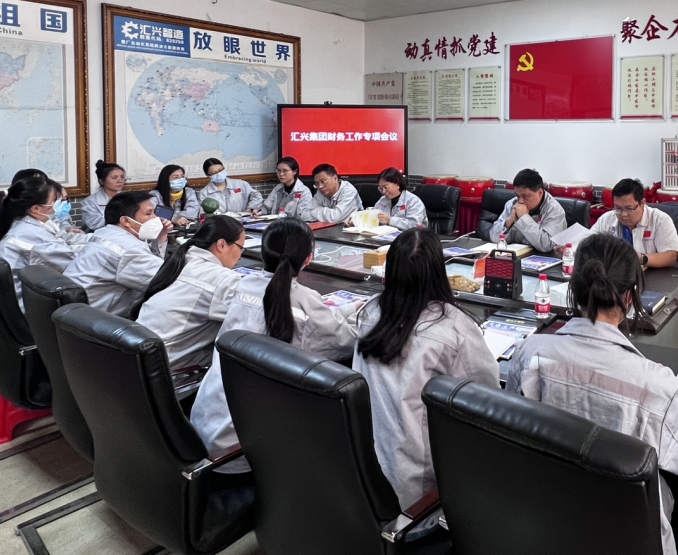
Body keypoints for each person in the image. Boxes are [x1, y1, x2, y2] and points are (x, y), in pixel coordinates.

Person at [506, 233, 678, 555]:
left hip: (544, 523)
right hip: (627, 537)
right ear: (630, 296)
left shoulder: (530, 353)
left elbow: (515, 427)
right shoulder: (657, 385)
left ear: (574, 287)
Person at [190, 218, 361, 474]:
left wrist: (345, 309)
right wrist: (362, 315)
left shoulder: (244, 286)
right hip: (240, 449)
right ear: (308, 258)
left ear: (263, 253)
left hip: (202, 426)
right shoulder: (303, 300)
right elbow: (344, 341)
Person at [353, 228, 499, 512]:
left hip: (363, 477)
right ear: (438, 272)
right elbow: (488, 397)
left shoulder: (370, 312)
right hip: (418, 495)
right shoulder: (453, 327)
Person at [136, 216, 245, 369]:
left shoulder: (182, 258)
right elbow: (249, 316)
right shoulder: (222, 278)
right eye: (241, 248)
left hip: (138, 357)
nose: (240, 254)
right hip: (168, 368)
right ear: (221, 245)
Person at [64, 191, 172, 317]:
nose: (156, 219)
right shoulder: (129, 249)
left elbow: (149, 266)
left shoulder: (105, 232)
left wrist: (161, 236)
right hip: (95, 319)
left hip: (73, 311)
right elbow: (164, 280)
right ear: (126, 221)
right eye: (149, 214)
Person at [0, 177, 80, 310]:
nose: (62, 204)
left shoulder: (23, 225)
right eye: (56, 201)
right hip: (29, 310)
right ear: (36, 208)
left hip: (19, 302)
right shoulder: (33, 236)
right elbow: (73, 263)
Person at [588, 178, 678, 268]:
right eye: (618, 208)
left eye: (629, 208)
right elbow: (588, 245)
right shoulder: (606, 219)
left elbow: (670, 257)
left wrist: (640, 259)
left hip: (650, 274)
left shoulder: (660, 220)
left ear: (642, 203)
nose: (623, 214)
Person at [490, 168, 566, 252]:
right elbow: (493, 237)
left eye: (525, 196)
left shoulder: (554, 210)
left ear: (540, 193)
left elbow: (547, 245)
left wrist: (524, 218)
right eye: (517, 195)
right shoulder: (512, 204)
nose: (520, 201)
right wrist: (509, 221)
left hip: (540, 256)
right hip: (515, 254)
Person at [198, 157, 263, 215]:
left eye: (220, 170)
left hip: (242, 220)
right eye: (214, 173)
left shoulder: (240, 184)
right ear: (208, 175)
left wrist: (250, 208)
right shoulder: (204, 193)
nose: (219, 174)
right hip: (219, 223)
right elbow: (203, 214)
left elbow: (256, 196)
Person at [80, 161, 126, 231]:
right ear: (101, 181)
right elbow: (94, 224)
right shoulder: (90, 202)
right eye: (114, 178)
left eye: (122, 177)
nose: (120, 181)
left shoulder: (128, 198)